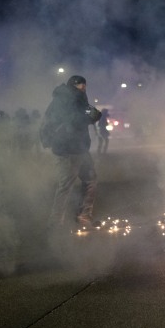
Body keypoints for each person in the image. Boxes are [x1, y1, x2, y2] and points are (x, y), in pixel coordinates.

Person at [44, 75, 102, 230]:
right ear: (73, 86)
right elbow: (74, 119)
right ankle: (55, 223)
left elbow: (90, 112)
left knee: (90, 180)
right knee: (66, 185)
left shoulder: (80, 100)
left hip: (80, 148)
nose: (84, 89)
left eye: (85, 86)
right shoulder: (63, 101)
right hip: (67, 149)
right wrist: (90, 117)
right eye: (81, 86)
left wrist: (94, 114)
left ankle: (83, 216)